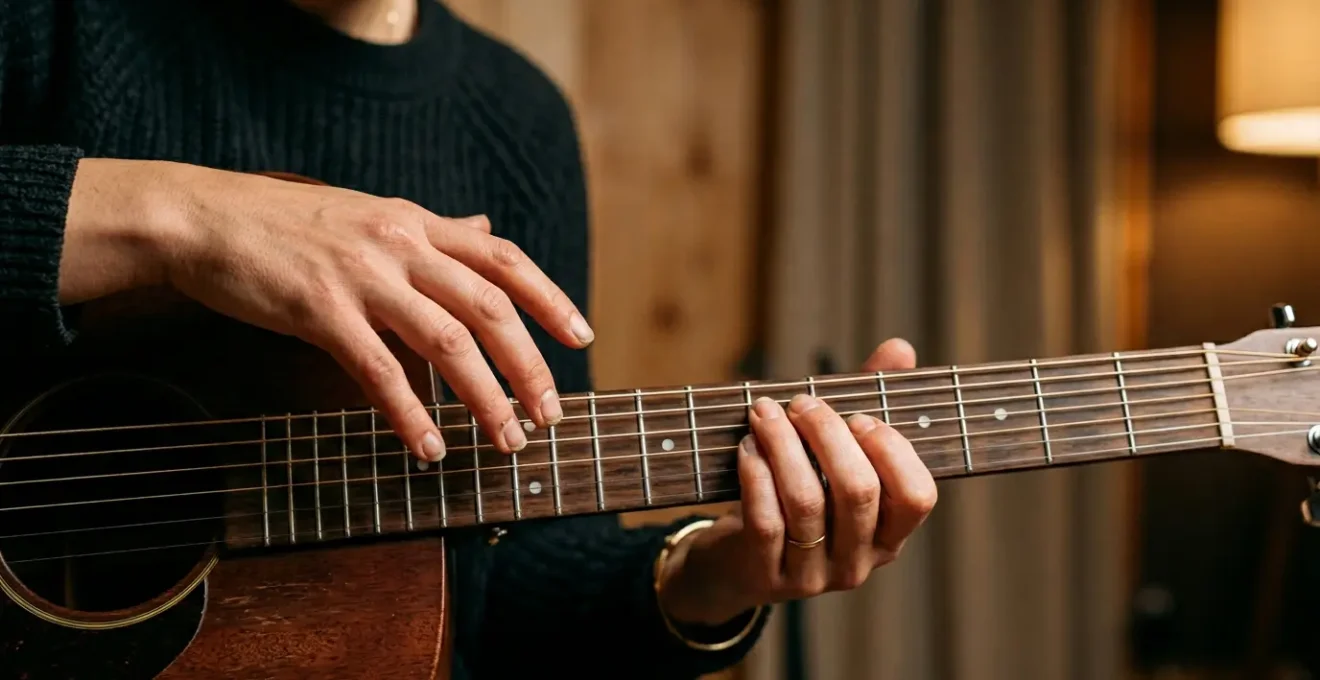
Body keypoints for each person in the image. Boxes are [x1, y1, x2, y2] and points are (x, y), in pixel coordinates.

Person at [0, 0, 937, 677]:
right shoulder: (51, 24)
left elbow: (506, 589)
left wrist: (714, 572)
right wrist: (178, 218)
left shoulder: (516, 120)